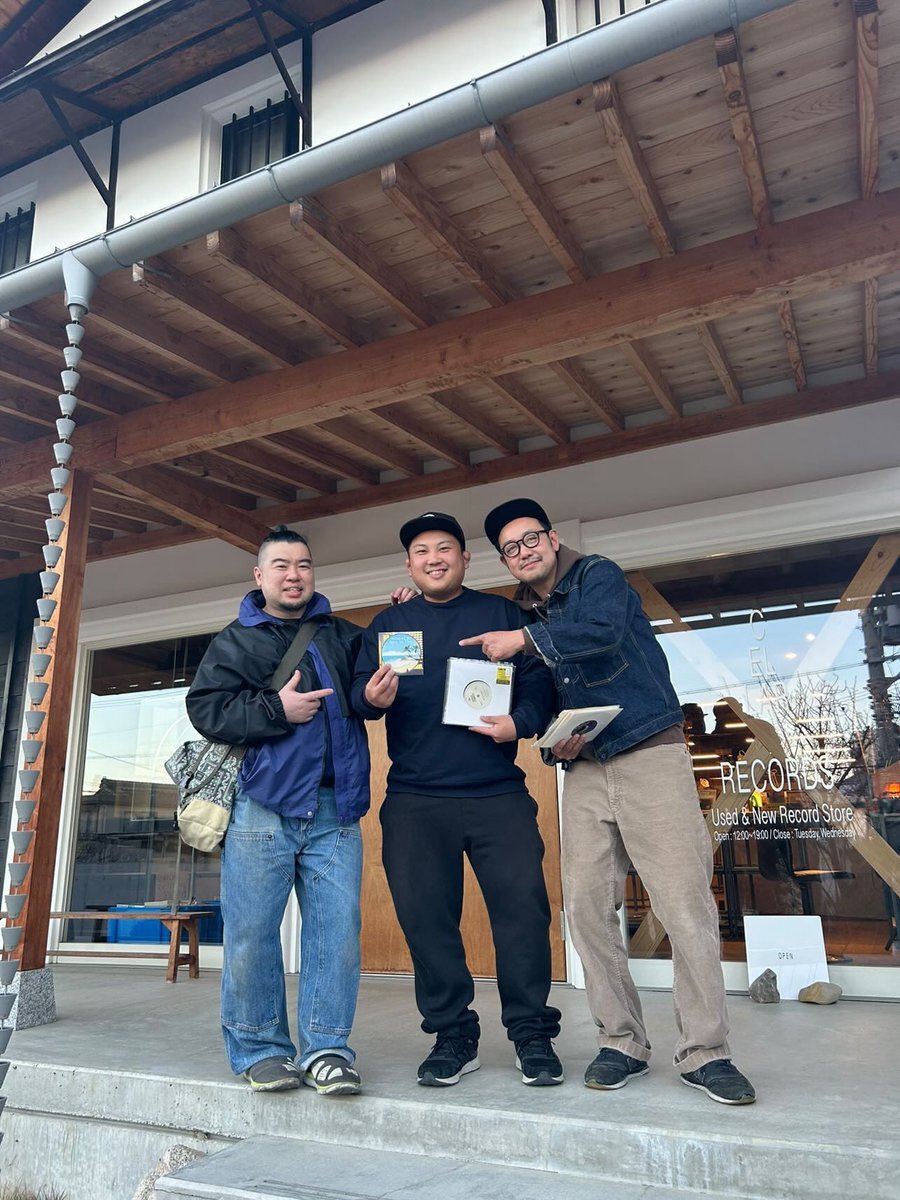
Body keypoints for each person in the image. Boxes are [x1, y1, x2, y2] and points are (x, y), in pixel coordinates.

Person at [461, 498, 756, 1106]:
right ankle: (621, 1042)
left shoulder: (598, 575)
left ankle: (707, 1051)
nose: (524, 552)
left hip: (650, 752)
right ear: (505, 561)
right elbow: (546, 692)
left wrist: (522, 639)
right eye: (511, 548)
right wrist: (549, 738)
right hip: (586, 766)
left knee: (684, 904)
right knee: (587, 908)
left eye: (531, 538)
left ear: (551, 538)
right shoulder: (526, 608)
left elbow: (600, 632)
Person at [351, 511, 564, 1088]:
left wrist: (519, 723)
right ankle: (453, 1035)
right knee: (426, 921)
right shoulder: (390, 624)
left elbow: (540, 682)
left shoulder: (503, 615)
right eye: (422, 551)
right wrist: (371, 699)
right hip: (415, 799)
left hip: (498, 794)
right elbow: (357, 694)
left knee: (523, 914)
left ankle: (532, 1035)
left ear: (465, 559)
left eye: (445, 548)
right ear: (409, 565)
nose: (434, 558)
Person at [186, 525, 370, 1096]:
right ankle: (260, 1050)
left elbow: (372, 687)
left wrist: (402, 613)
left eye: (304, 565)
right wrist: (276, 708)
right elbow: (206, 710)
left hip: (336, 807)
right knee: (251, 935)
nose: (295, 575)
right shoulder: (235, 640)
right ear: (259, 576)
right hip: (260, 807)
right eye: (282, 566)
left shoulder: (343, 635)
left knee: (336, 936)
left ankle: (327, 1050)